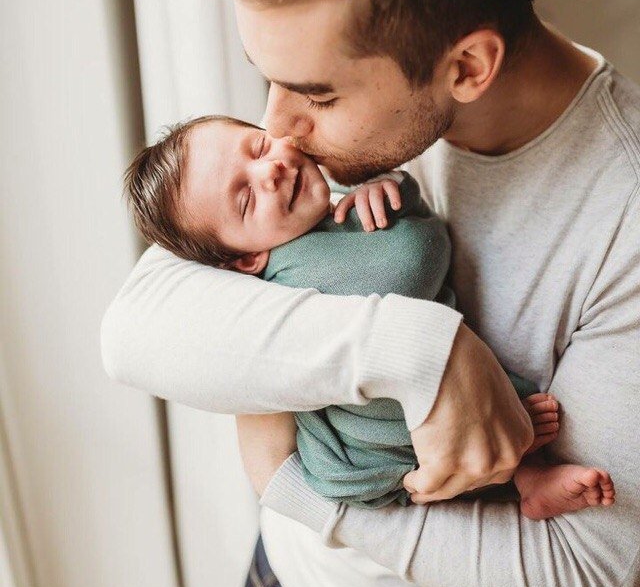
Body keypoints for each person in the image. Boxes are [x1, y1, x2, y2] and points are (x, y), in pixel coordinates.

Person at [102, 0, 640, 587]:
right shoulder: (327, 148)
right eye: (264, 82)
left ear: (467, 66)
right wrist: (419, 351)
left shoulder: (623, 215)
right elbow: (137, 324)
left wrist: (300, 494)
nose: (278, 132)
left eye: (312, 94)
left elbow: (583, 581)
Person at [123, 114, 612, 517]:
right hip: (363, 451)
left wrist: (388, 188)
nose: (269, 171)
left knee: (497, 414)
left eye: (257, 148)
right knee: (498, 411)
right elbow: (410, 263)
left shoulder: (340, 207)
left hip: (408, 448)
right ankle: (522, 473)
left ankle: (530, 477)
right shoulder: (280, 273)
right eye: (247, 199)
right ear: (245, 261)